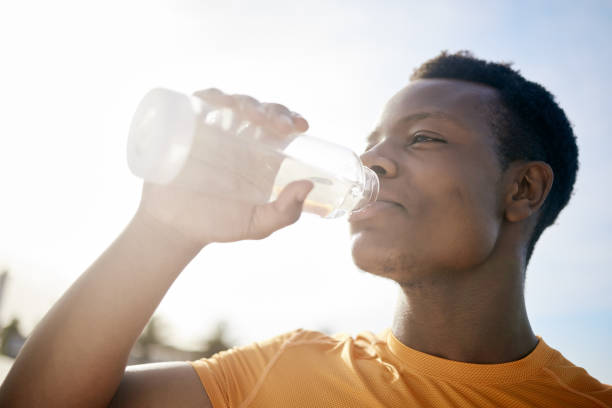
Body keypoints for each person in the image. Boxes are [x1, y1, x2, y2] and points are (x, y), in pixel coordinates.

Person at [0, 51, 609, 407]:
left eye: (423, 137)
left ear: (522, 190)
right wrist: (161, 231)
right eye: (372, 144)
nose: (373, 160)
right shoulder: (282, 370)